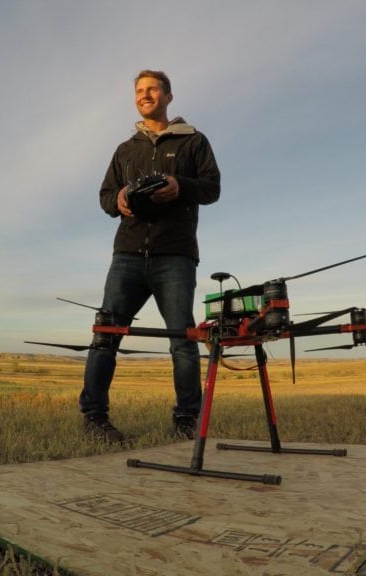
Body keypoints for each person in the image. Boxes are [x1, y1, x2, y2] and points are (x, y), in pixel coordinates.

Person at [79, 70, 221, 443]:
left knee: (183, 339)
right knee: (104, 335)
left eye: (152, 89)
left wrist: (179, 186)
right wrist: (120, 200)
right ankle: (93, 418)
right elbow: (105, 196)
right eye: (139, 91)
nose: (145, 95)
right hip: (126, 253)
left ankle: (187, 420)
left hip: (175, 255)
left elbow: (212, 188)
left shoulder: (194, 141)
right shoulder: (126, 149)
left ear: (168, 96)